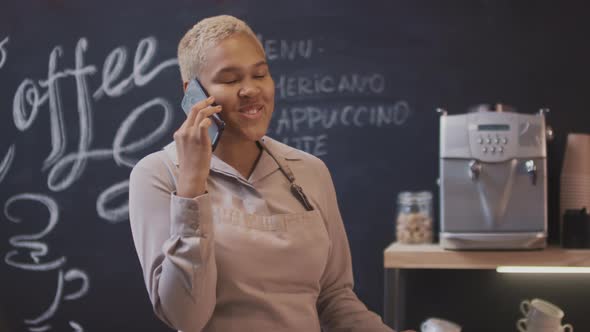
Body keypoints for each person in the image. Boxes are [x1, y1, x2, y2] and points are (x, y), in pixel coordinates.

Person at [129, 15, 396, 332]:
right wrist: (191, 189)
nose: (251, 90)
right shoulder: (158, 174)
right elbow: (186, 317)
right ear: (193, 93)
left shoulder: (310, 171)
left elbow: (335, 299)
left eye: (260, 74)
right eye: (229, 80)